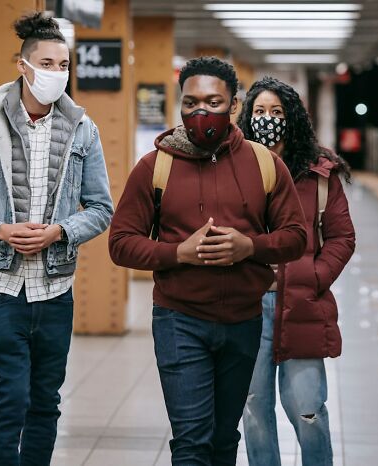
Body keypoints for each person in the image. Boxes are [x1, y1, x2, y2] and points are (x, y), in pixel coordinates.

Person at [109, 57, 307, 465]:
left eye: (213, 102)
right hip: (179, 320)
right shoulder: (155, 166)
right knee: (192, 440)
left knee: (221, 439)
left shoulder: (266, 165)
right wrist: (177, 253)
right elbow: (121, 243)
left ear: (234, 106)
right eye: (190, 103)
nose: (201, 113)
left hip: (243, 322)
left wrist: (248, 247)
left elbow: (296, 238)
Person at [0, 12, 113, 466]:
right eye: (47, 63)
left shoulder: (82, 129)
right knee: (9, 397)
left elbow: (101, 208)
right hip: (1, 288)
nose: (57, 73)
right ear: (23, 65)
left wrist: (60, 231)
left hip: (55, 288)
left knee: (45, 401)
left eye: (63, 65)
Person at [237, 76, 356, 466]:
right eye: (259, 112)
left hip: (302, 304)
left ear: (293, 119)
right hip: (247, 305)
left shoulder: (318, 173)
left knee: (309, 409)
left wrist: (315, 277)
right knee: (253, 409)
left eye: (276, 112)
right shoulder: (235, 166)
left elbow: (341, 237)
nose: (267, 119)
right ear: (247, 117)